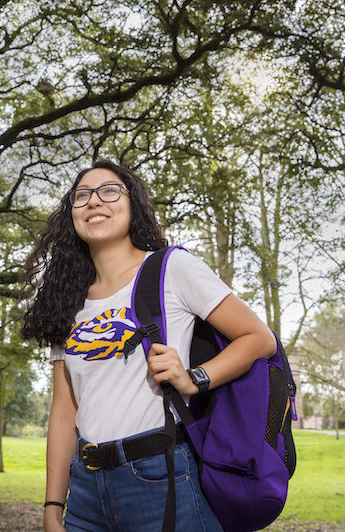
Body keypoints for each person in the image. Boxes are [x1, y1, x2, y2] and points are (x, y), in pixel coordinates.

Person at [21, 160, 277, 532]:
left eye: (109, 191)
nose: (94, 202)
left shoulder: (171, 269)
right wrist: (52, 506)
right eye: (82, 196)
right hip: (85, 491)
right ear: (71, 214)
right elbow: (64, 411)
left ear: (132, 204)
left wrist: (194, 379)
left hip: (161, 476)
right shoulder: (65, 302)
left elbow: (259, 338)